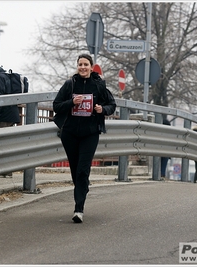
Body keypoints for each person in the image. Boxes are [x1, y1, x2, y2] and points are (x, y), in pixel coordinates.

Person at [53, 54, 116, 223]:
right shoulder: (70, 84)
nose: (82, 67)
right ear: (77, 66)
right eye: (80, 64)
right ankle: (82, 188)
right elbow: (56, 105)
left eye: (86, 64)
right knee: (75, 171)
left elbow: (112, 105)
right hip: (70, 133)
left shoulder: (99, 85)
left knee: (82, 169)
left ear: (91, 66)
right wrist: (72, 102)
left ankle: (78, 209)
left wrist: (101, 109)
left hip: (90, 133)